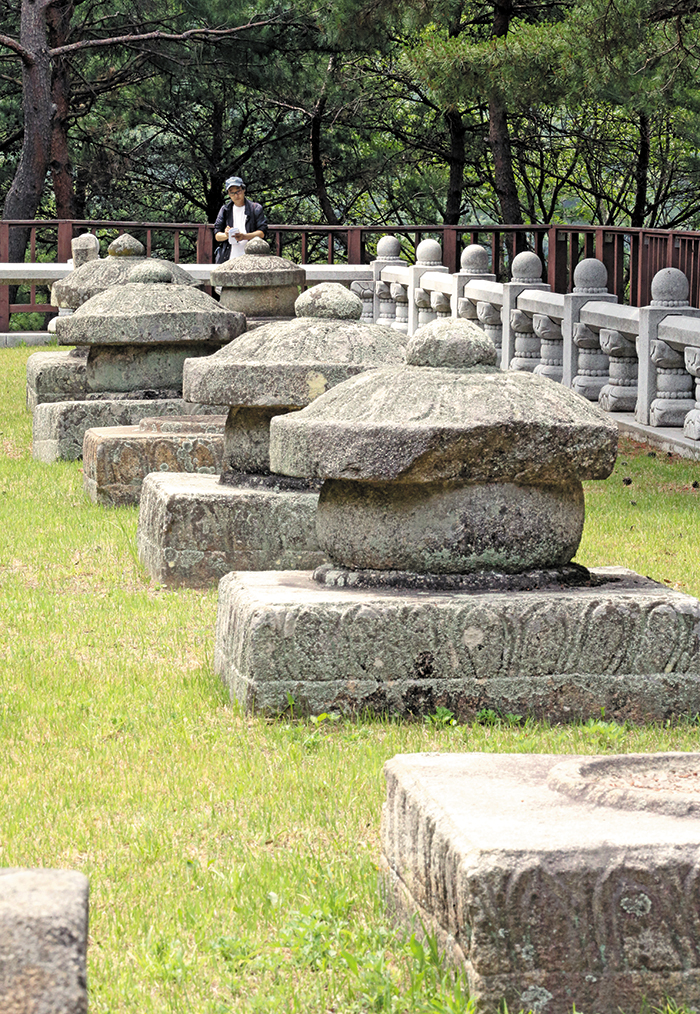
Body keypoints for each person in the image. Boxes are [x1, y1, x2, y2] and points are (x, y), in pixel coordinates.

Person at [213, 176, 268, 261]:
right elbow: (217, 235)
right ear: (228, 194)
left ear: (243, 189)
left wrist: (244, 236)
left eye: (238, 191)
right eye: (232, 193)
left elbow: (262, 233)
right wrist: (226, 235)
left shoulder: (255, 208)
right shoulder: (225, 210)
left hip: (252, 257)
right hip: (229, 257)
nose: (236, 195)